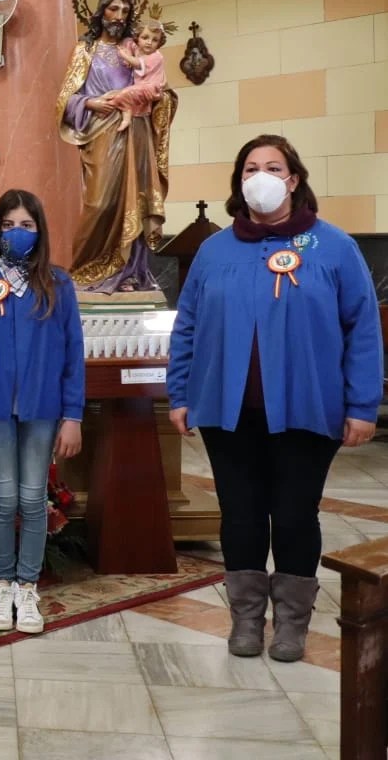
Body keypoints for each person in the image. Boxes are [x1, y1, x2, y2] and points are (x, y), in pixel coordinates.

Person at [167, 134, 381, 662]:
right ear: (240, 183)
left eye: (272, 166)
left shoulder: (333, 247)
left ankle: (291, 623)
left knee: (292, 516)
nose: (260, 175)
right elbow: (187, 326)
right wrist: (180, 393)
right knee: (239, 516)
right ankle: (245, 619)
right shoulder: (214, 251)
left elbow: (363, 329)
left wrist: (361, 405)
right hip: (227, 411)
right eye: (249, 168)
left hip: (309, 411)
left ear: (293, 179)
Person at [0, 189, 85, 635]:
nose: (17, 233)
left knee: (32, 497)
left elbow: (72, 356)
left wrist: (73, 415)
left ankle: (28, 587)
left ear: (40, 230)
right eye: (8, 225)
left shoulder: (58, 285)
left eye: (26, 225)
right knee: (4, 499)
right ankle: (2, 583)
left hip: (43, 408)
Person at [56, 0, 178, 293]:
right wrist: (89, 103)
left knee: (134, 200)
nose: (119, 16)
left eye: (125, 11)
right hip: (100, 131)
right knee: (99, 202)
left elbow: (156, 83)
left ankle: (128, 274)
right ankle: (87, 270)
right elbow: (64, 99)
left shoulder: (135, 47)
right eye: (113, 9)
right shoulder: (85, 50)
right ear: (100, 11)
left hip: (135, 130)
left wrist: (161, 97)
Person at [104, 20, 169, 133]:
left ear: (159, 43)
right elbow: (129, 43)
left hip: (151, 88)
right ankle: (126, 112)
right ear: (137, 38)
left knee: (124, 94)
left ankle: (111, 109)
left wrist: (125, 56)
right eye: (145, 38)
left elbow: (138, 63)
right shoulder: (138, 48)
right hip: (142, 86)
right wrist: (128, 51)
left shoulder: (156, 56)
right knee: (122, 94)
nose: (149, 42)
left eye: (155, 40)